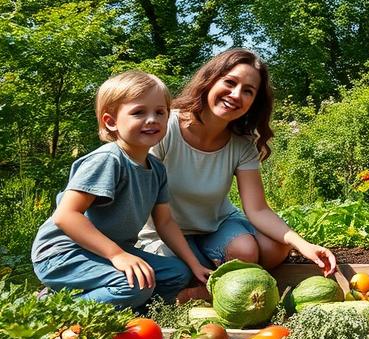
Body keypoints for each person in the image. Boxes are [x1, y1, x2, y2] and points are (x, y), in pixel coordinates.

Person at [137, 49, 336, 277]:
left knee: (273, 248)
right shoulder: (165, 128)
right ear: (209, 80)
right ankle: (212, 278)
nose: (236, 94)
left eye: (248, 91)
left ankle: (221, 275)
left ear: (253, 102)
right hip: (167, 230)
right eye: (230, 82)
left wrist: (303, 245)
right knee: (185, 271)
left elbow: (257, 209)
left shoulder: (242, 143)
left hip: (216, 225)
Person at [32, 72, 206, 307]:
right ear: (111, 122)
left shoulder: (156, 169)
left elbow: (165, 223)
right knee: (134, 286)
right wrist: (117, 255)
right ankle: (53, 305)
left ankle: (114, 297)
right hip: (64, 254)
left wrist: (194, 265)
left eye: (160, 112)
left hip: (109, 250)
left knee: (177, 273)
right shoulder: (108, 160)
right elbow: (66, 216)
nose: (152, 119)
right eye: (138, 112)